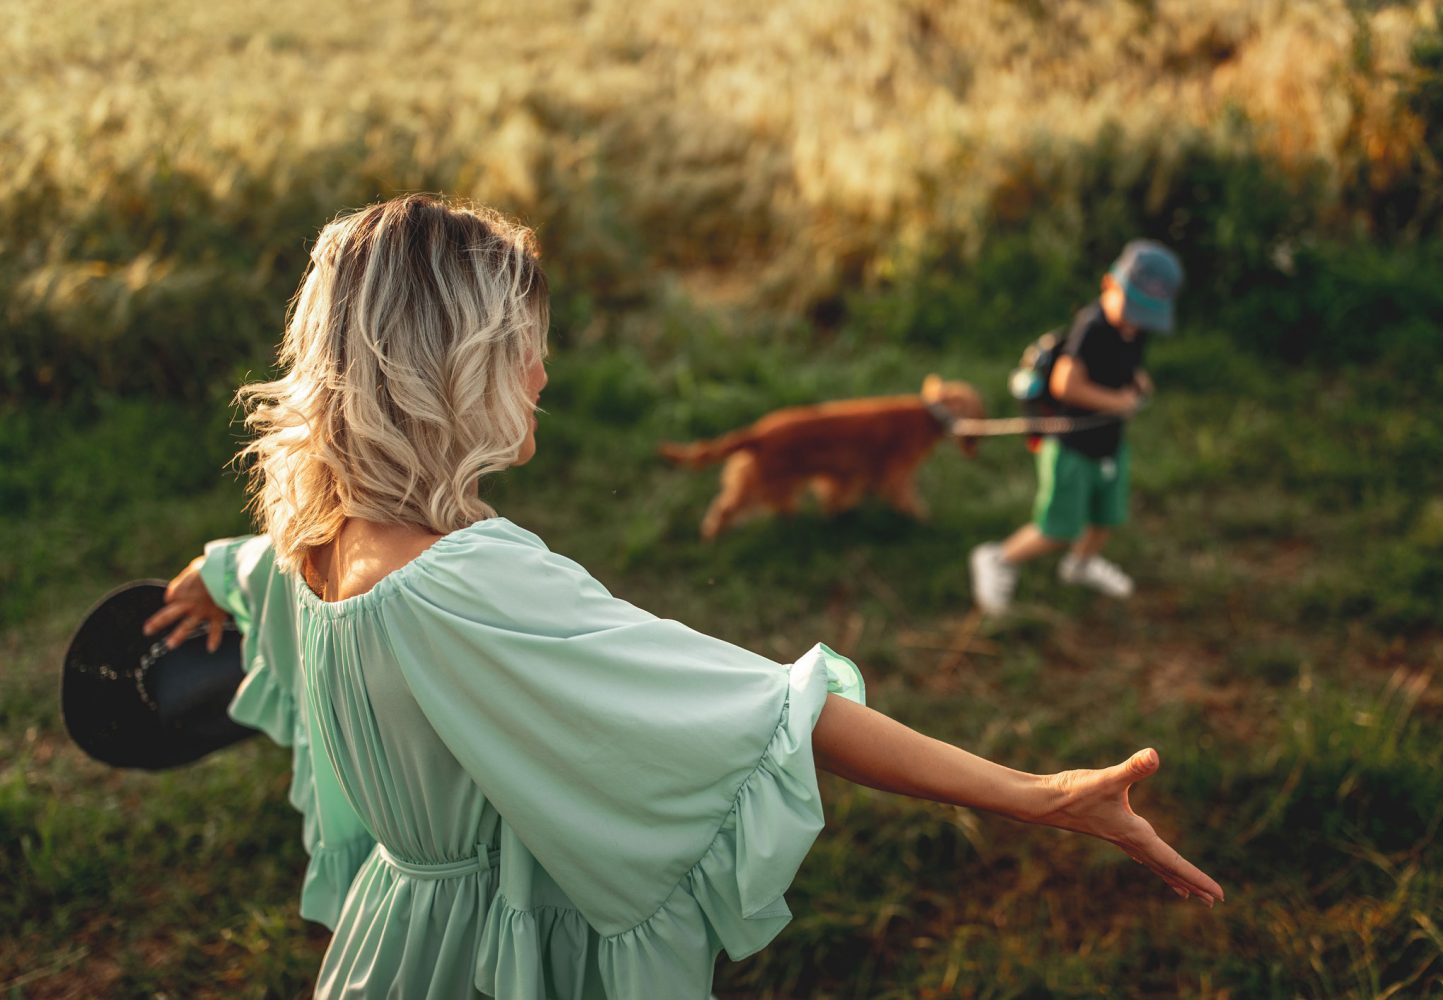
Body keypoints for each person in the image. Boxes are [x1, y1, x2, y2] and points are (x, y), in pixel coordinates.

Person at [142, 198, 1220, 999]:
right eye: (525, 349)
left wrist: (212, 571)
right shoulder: (472, 583)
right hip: (487, 958)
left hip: (389, 946)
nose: (543, 377)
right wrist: (1037, 793)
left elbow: (263, 569)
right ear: (452, 364)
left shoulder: (316, 541)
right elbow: (768, 712)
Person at [969, 240, 1183, 616]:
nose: (1135, 321)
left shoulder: (1135, 330)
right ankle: (998, 558)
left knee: (1107, 516)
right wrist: (1118, 403)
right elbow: (1066, 385)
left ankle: (1080, 565)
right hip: (1072, 446)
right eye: (1130, 309)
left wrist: (1137, 382)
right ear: (1108, 286)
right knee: (1059, 527)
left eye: (1145, 316)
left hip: (1109, 444)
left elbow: (1126, 363)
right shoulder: (1092, 327)